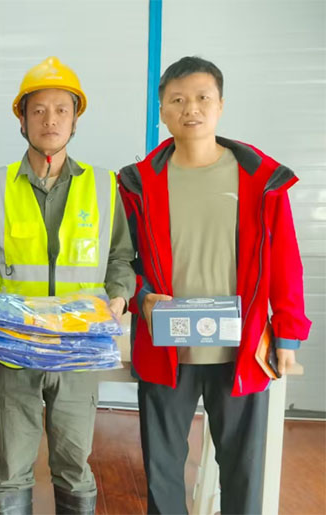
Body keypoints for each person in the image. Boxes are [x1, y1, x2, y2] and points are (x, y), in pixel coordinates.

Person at [118, 55, 312, 514]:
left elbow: (285, 261)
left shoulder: (260, 180)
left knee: (243, 470)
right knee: (162, 470)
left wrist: (287, 335)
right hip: (167, 348)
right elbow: (124, 260)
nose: (191, 108)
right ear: (162, 111)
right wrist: (141, 298)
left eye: (203, 98)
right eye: (177, 100)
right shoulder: (138, 184)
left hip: (242, 348)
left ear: (220, 105)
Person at [0, 56, 135, 514]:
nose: (50, 120)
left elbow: (121, 257)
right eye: (38, 110)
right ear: (21, 119)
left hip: (80, 345)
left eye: (62, 109)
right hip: (14, 344)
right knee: (11, 465)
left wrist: (120, 296)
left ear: (76, 119)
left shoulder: (105, 186)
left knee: (74, 463)